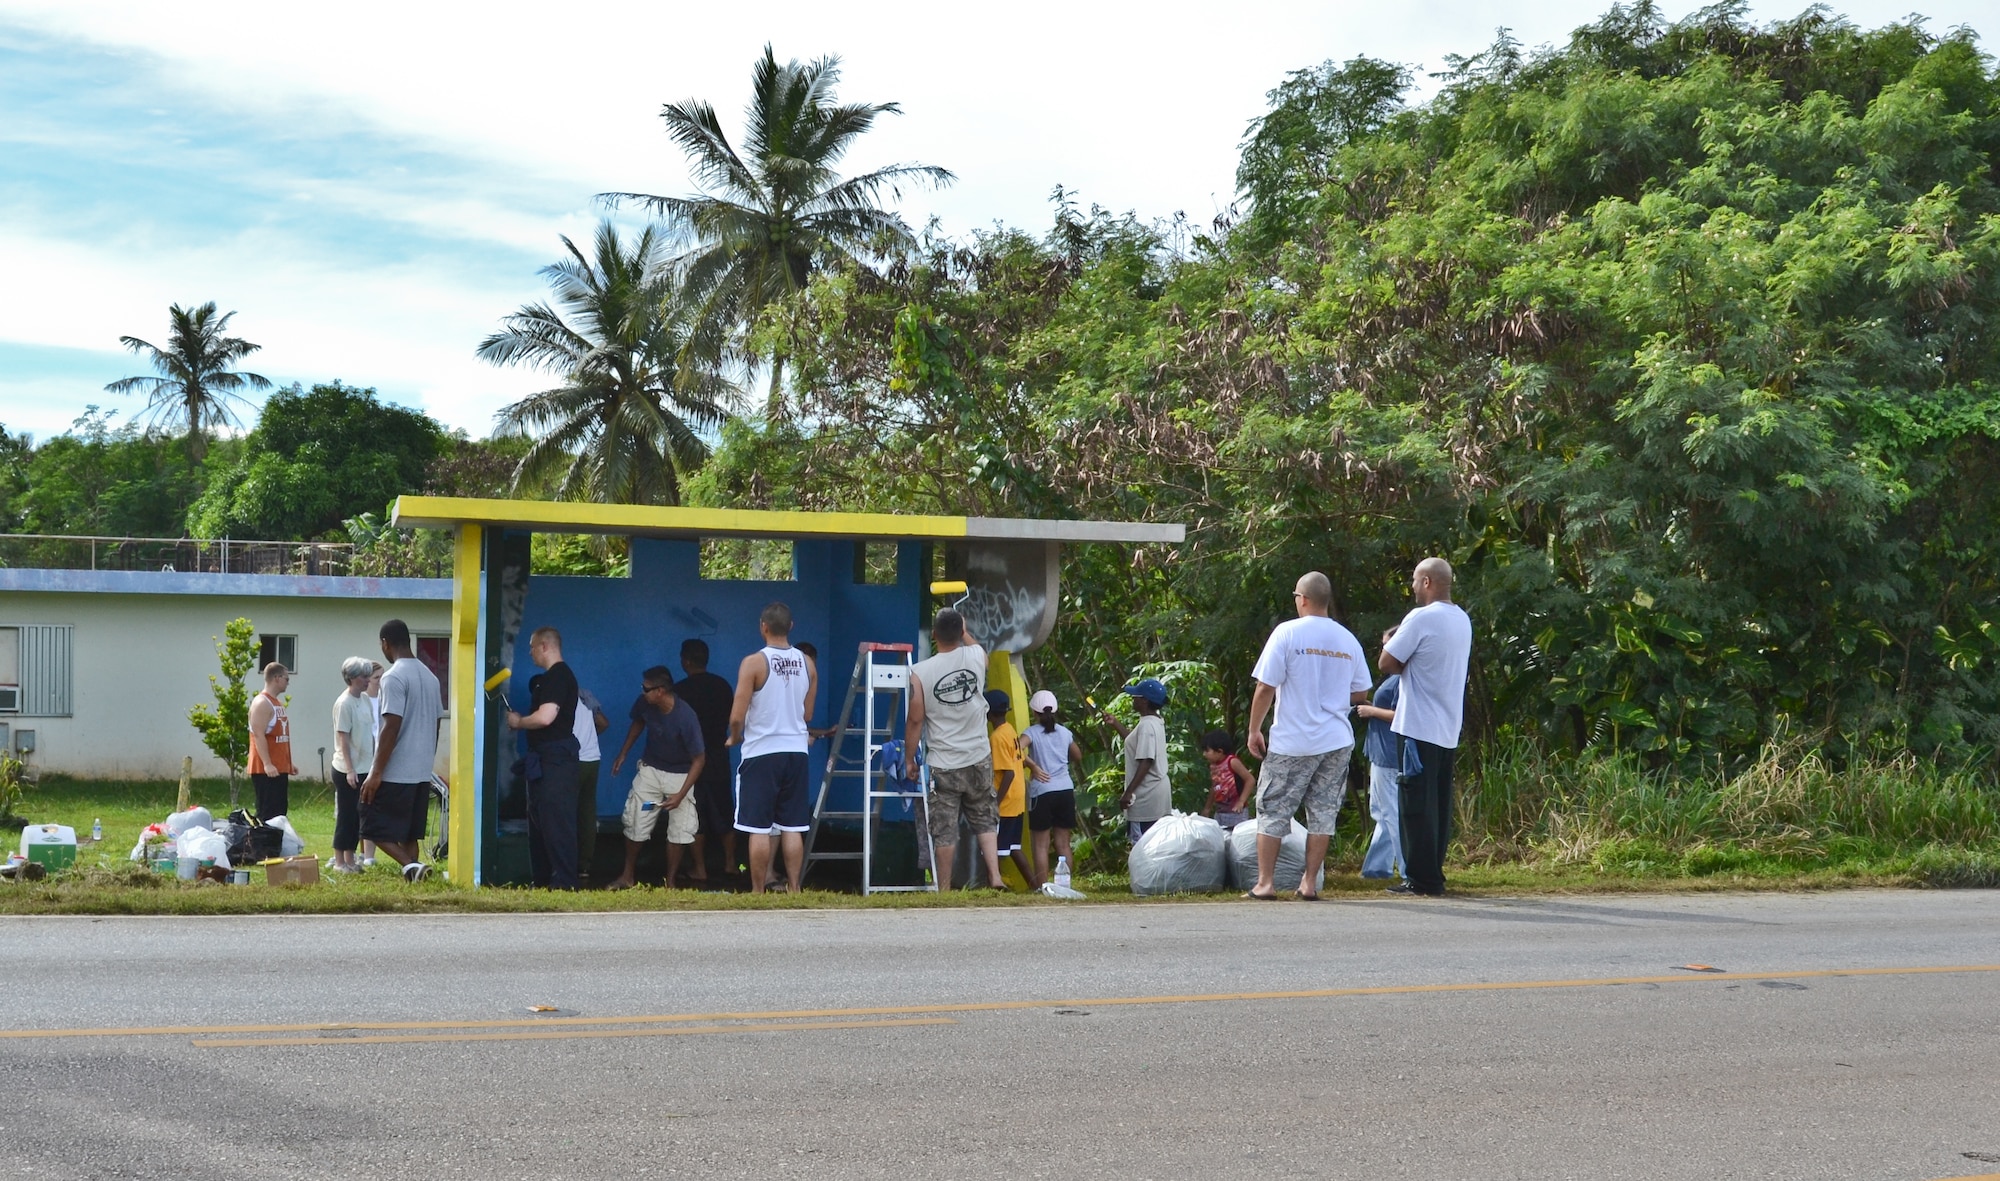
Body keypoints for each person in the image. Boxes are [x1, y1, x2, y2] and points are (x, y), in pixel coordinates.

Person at [1244, 571, 1372, 901]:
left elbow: (1265, 686)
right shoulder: (1347, 640)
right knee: (1323, 811)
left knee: (1273, 809)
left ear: (1302, 599)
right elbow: (1361, 693)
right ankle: (1309, 883)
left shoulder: (1287, 633)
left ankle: (1266, 883)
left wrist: (1254, 729)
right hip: (1336, 740)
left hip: (1293, 740)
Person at [1380, 557, 1474, 898]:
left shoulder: (1422, 617)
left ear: (1428, 582)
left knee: (1414, 804)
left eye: (1415, 580)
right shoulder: (1461, 619)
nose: (1413, 586)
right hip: (1447, 726)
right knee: (1437, 804)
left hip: (1418, 725)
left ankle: (1421, 879)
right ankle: (1433, 870)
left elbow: (1387, 661)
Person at [905, 608, 1003, 890]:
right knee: (985, 816)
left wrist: (909, 758)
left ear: (934, 636)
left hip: (944, 761)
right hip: (978, 755)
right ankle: (995, 876)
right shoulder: (975, 657)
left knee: (944, 827)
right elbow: (979, 651)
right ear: (961, 631)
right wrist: (964, 630)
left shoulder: (920, 672)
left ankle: (944, 886)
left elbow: (915, 719)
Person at [729, 602, 817, 895]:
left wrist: (734, 736)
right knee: (793, 826)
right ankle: (795, 888)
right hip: (796, 751)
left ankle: (757, 891)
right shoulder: (808, 663)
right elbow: (807, 715)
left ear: (762, 627)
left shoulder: (753, 663)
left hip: (762, 752)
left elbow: (736, 716)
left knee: (758, 827)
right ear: (791, 627)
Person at [608, 667, 706, 890]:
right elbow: (639, 722)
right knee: (637, 817)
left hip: (681, 777)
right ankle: (627, 876)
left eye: (646, 688)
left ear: (660, 691)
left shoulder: (685, 717)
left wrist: (680, 795)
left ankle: (670, 883)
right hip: (651, 771)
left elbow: (700, 760)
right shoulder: (646, 703)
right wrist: (623, 752)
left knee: (680, 829)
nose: (642, 691)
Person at [361, 619, 442, 882]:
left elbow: (390, 726)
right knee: (409, 832)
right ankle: (416, 875)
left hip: (397, 769)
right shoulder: (430, 677)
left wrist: (376, 772)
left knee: (370, 824)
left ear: (385, 643)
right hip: (421, 768)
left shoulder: (393, 677)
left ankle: (410, 866)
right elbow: (436, 723)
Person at [504, 626, 582, 890]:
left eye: (532, 646)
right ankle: (542, 879)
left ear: (545, 646)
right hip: (542, 761)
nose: (530, 652)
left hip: (557, 761)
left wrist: (519, 722)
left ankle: (564, 881)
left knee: (557, 822)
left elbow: (546, 717)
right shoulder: (549, 678)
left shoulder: (558, 677)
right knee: (539, 822)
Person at [676, 639, 736, 883]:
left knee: (695, 815)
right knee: (724, 811)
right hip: (719, 756)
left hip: (691, 760)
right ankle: (732, 864)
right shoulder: (722, 686)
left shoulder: (680, 691)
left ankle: (699, 869)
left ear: (686, 661)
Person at [1355, 626, 1404, 881]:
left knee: (1391, 813)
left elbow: (1404, 715)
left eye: (1387, 645)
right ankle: (1376, 868)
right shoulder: (1393, 678)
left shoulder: (1403, 678)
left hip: (1389, 754)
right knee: (1382, 812)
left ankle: (1408, 869)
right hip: (1380, 752)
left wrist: (1373, 712)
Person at [1098, 678, 1171, 843]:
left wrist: (1128, 792)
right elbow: (1136, 742)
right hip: (1157, 792)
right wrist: (1115, 724)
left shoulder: (1147, 726)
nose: (1133, 699)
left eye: (1136, 696)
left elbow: (1146, 760)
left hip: (1146, 796)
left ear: (1144, 701)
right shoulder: (1154, 721)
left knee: (1144, 847)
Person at [1022, 690, 1083, 886]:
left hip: (1042, 792)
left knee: (1041, 845)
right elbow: (1078, 756)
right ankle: (1065, 885)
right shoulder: (1065, 732)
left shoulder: (1031, 732)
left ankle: (1042, 886)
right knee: (1063, 843)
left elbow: (1014, 749)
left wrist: (1033, 766)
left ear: (1034, 711)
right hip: (1065, 790)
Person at [326, 656, 375, 873]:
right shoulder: (343, 703)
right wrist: (350, 769)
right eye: (365, 676)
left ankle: (350, 859)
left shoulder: (363, 700)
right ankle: (339, 861)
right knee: (346, 815)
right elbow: (343, 738)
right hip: (347, 769)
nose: (368, 680)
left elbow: (369, 733)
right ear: (353, 678)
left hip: (365, 766)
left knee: (357, 816)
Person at [987, 690, 1036, 888]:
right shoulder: (1009, 730)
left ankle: (992, 885)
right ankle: (1035, 885)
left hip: (1005, 800)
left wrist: (995, 803)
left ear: (988, 712)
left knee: (993, 848)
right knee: (1014, 846)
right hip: (1017, 796)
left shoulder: (997, 737)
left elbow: (1008, 773)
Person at [246, 662, 295, 820]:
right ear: (277, 678)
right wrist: (267, 763)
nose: (288, 682)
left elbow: (279, 736)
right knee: (267, 814)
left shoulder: (276, 703)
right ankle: (261, 844)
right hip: (265, 770)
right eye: (287, 679)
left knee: (279, 813)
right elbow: (258, 735)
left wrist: (288, 763)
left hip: (279, 768)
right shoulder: (262, 703)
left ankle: (274, 844)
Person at [572, 683, 610, 883]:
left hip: (573, 761)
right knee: (587, 814)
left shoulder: (556, 697)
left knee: (565, 813)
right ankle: (584, 867)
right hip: (593, 758)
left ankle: (566, 864)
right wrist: (588, 737)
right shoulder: (585, 696)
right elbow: (604, 723)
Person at [1200, 730, 1257, 832]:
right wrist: (1207, 808)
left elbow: (1250, 780)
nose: (1204, 754)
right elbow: (1214, 786)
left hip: (1237, 812)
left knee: (1237, 838)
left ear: (1219, 751)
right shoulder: (1213, 766)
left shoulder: (1232, 762)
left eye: (1207, 751)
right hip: (1221, 812)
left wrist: (1241, 801)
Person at [360, 662, 383, 868]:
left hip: (378, 760)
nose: (379, 682)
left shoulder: (385, 699)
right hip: (362, 759)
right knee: (357, 808)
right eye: (376, 678)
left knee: (372, 807)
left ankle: (369, 854)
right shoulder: (362, 700)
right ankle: (357, 852)